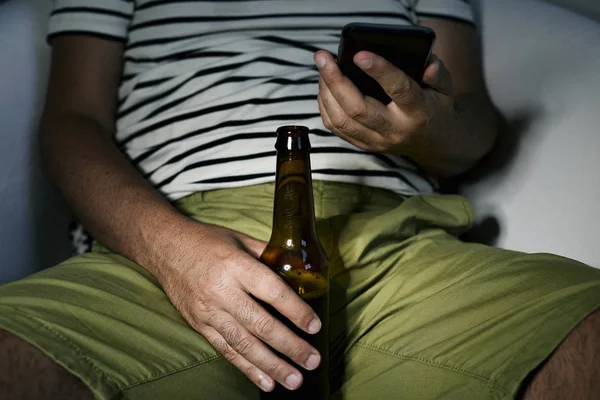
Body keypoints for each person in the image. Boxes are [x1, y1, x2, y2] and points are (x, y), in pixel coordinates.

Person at [0, 0, 599, 399]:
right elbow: (69, 122)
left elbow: (475, 130)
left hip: (397, 241)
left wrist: (428, 128)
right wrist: (168, 250)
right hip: (170, 242)